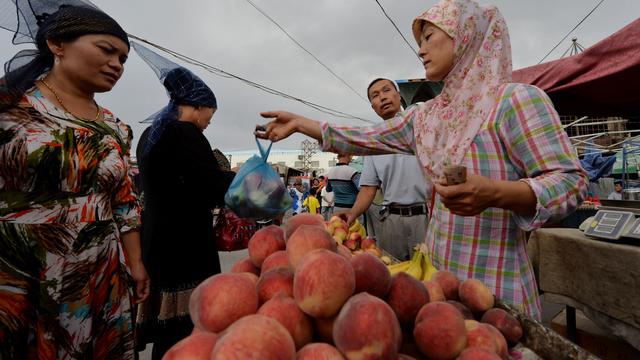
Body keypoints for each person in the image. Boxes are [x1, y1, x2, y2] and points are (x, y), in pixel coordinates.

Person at [256, 0, 588, 319]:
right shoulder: (426, 116)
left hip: (497, 288)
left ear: (466, 36)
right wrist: (302, 123)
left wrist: (497, 193)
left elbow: (570, 181)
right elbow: (365, 137)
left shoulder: (515, 101)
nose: (420, 49)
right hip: (437, 283)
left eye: (429, 37)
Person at [0, 4, 149, 358]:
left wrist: (137, 264)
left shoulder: (115, 127)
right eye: (106, 50)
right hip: (19, 270)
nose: (117, 64)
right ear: (57, 44)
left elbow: (124, 204)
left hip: (98, 272)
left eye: (124, 59)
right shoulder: (8, 107)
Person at [132, 43, 235, 359]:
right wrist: (245, 181)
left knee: (167, 329)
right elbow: (211, 184)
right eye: (211, 114)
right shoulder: (186, 133)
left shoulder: (151, 133)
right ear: (198, 106)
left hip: (156, 237)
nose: (209, 122)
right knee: (185, 331)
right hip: (183, 242)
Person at [346, 78, 431, 261]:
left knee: (431, 276)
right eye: (375, 95)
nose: (382, 97)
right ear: (373, 106)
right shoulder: (373, 142)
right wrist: (352, 215)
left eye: (386, 90)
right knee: (392, 274)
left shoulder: (419, 123)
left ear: (398, 96)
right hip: (391, 221)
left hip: (426, 218)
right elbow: (369, 188)